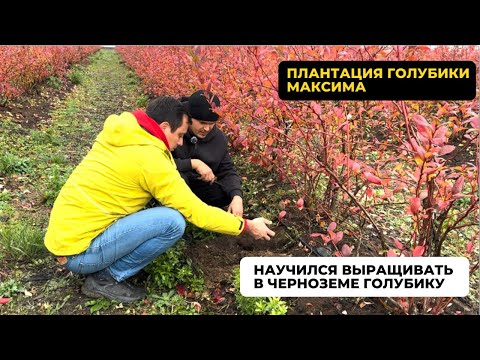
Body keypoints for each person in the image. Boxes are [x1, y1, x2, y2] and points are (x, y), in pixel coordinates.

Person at [44, 96, 275, 303]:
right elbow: (198, 213)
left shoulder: (127, 134)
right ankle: (106, 278)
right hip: (79, 254)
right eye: (180, 135)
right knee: (172, 221)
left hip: (65, 237)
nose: (181, 143)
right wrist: (246, 225)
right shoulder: (151, 160)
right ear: (164, 127)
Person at [173, 90, 244, 217]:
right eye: (202, 123)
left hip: (198, 186)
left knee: (224, 194)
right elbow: (158, 162)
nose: (207, 129)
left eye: (211, 124)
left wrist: (237, 196)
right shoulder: (173, 130)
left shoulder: (219, 138)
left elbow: (227, 170)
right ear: (189, 118)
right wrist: (193, 164)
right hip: (174, 181)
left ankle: (195, 211)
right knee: (178, 179)